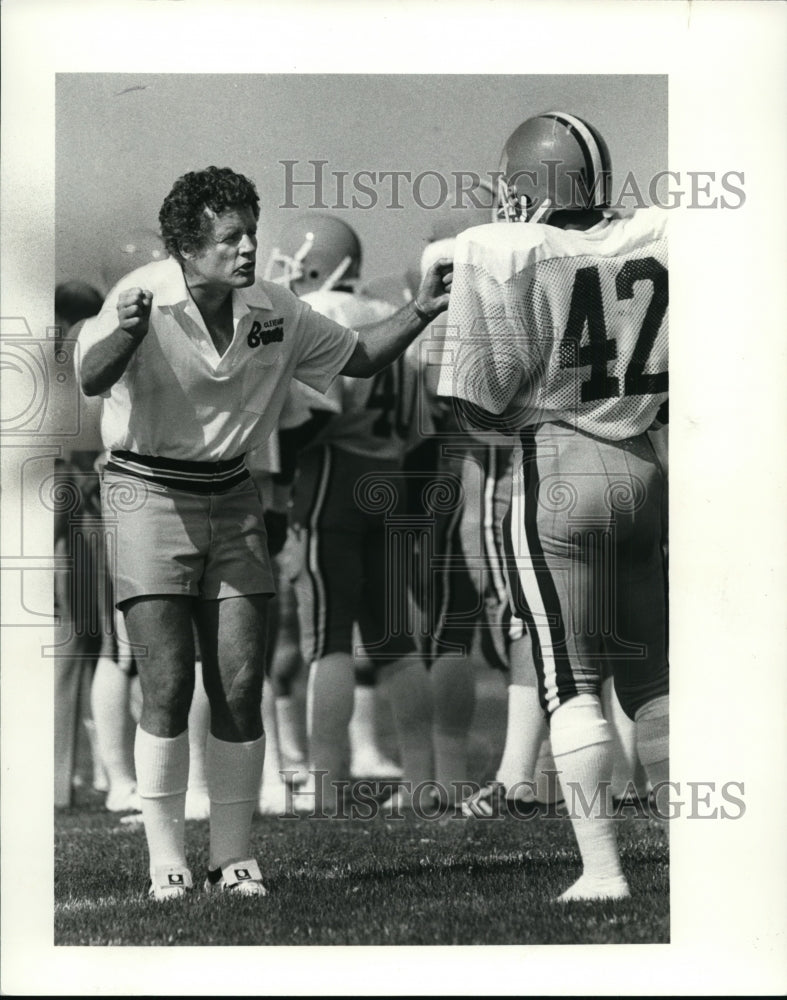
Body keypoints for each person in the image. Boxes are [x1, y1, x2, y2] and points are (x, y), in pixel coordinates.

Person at [76, 166, 451, 900]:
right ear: (186, 245)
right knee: (166, 682)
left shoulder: (272, 306)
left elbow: (361, 355)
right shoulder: (142, 292)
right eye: (229, 237)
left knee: (241, 682)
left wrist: (422, 310)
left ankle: (234, 855)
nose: (249, 248)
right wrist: (123, 335)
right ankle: (164, 859)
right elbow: (91, 377)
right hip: (144, 492)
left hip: (233, 494)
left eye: (251, 232)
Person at [434, 112, 668, 901]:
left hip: (557, 472)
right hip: (644, 468)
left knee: (568, 679)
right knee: (654, 679)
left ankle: (602, 871)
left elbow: (477, 406)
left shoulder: (502, 249)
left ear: (523, 186)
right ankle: (695, 859)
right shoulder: (657, 235)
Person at [266, 212, 435, 814]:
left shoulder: (324, 316)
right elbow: (420, 435)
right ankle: (420, 777)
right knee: (395, 643)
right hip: (388, 483)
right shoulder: (390, 318)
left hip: (334, 479)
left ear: (314, 264)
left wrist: (275, 477)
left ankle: (326, 781)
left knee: (327, 641)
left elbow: (315, 413)